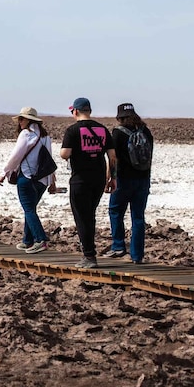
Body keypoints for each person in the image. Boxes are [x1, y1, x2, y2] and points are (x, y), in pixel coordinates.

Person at [60, 97, 117, 269]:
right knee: (90, 215)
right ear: (89, 111)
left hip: (80, 180)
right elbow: (112, 156)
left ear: (76, 111)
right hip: (99, 178)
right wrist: (112, 177)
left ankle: (89, 256)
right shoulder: (102, 129)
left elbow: (64, 154)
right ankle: (89, 253)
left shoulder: (72, 130)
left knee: (82, 217)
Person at [0, 107, 57, 254]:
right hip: (42, 180)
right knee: (31, 209)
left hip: (27, 177)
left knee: (29, 209)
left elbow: (15, 156)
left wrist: (5, 172)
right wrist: (53, 180)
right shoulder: (45, 136)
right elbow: (49, 160)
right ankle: (27, 240)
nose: (20, 122)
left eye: (21, 119)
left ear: (28, 120)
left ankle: (40, 240)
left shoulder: (26, 134)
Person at [105, 103, 154, 263]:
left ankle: (118, 246)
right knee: (138, 217)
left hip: (123, 180)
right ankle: (137, 255)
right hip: (143, 180)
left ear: (119, 117)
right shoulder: (146, 132)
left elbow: (113, 158)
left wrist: (111, 178)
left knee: (115, 211)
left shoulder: (118, 133)